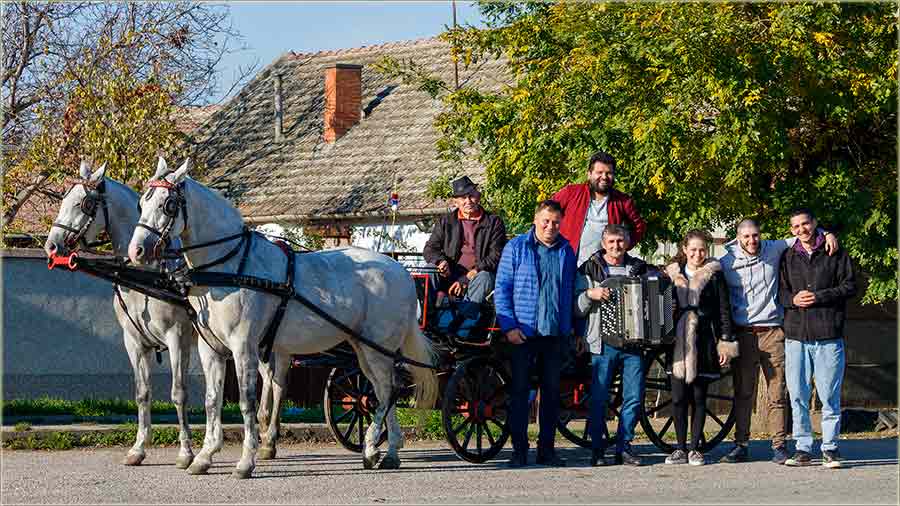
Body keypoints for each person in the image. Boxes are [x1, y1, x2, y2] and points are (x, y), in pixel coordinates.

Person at [718, 218, 838, 465]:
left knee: (778, 393)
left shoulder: (773, 248)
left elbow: (804, 235)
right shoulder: (726, 262)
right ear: (738, 238)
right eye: (747, 237)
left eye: (755, 235)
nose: (752, 240)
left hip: (773, 332)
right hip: (744, 333)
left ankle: (779, 445)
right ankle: (741, 444)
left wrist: (827, 233)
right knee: (744, 393)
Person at [494, 199, 577, 468]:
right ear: (535, 220)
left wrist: (570, 329)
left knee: (551, 395)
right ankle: (519, 450)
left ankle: (547, 450)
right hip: (524, 334)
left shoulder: (566, 250)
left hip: (554, 335)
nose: (551, 226)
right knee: (519, 394)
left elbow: (568, 294)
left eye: (555, 222)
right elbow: (503, 288)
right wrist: (510, 328)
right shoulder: (516, 247)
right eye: (546, 221)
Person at [779, 208, 856, 469]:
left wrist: (820, 297)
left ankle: (830, 448)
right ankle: (802, 447)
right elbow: (780, 293)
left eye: (806, 224)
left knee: (829, 394)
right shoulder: (787, 256)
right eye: (796, 226)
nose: (802, 229)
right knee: (798, 394)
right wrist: (792, 299)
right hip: (796, 336)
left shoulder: (835, 252)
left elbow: (850, 286)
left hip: (828, 334)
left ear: (815, 224)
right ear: (791, 230)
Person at [575, 224, 655, 467]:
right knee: (599, 398)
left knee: (634, 397)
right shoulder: (589, 269)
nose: (616, 246)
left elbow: (656, 296)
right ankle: (598, 449)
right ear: (603, 243)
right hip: (603, 343)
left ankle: (625, 447)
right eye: (611, 242)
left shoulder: (640, 268)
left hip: (634, 343)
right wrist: (590, 294)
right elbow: (576, 308)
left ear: (628, 242)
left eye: (620, 241)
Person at [663, 230, 739, 466]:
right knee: (677, 398)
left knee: (698, 397)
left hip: (704, 339)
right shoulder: (672, 275)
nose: (698, 254)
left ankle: (695, 448)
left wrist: (725, 343)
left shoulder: (714, 276)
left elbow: (724, 311)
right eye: (693, 249)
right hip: (677, 342)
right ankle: (680, 448)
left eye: (702, 249)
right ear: (684, 250)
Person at [423, 175, 507, 332]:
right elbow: (430, 249)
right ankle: (426, 320)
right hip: (449, 275)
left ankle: (461, 327)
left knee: (485, 277)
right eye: (463, 197)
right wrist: (441, 262)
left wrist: (469, 277)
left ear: (478, 196)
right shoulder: (445, 221)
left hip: (478, 275)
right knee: (428, 269)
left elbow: (496, 255)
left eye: (471, 195)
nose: (468, 201)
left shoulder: (494, 222)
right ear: (455, 201)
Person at [552, 150, 647, 268]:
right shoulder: (571, 193)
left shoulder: (623, 201)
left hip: (602, 269)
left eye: (609, 173)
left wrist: (622, 247)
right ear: (589, 174)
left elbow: (639, 226)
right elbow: (546, 213)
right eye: (599, 172)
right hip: (566, 263)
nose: (604, 177)